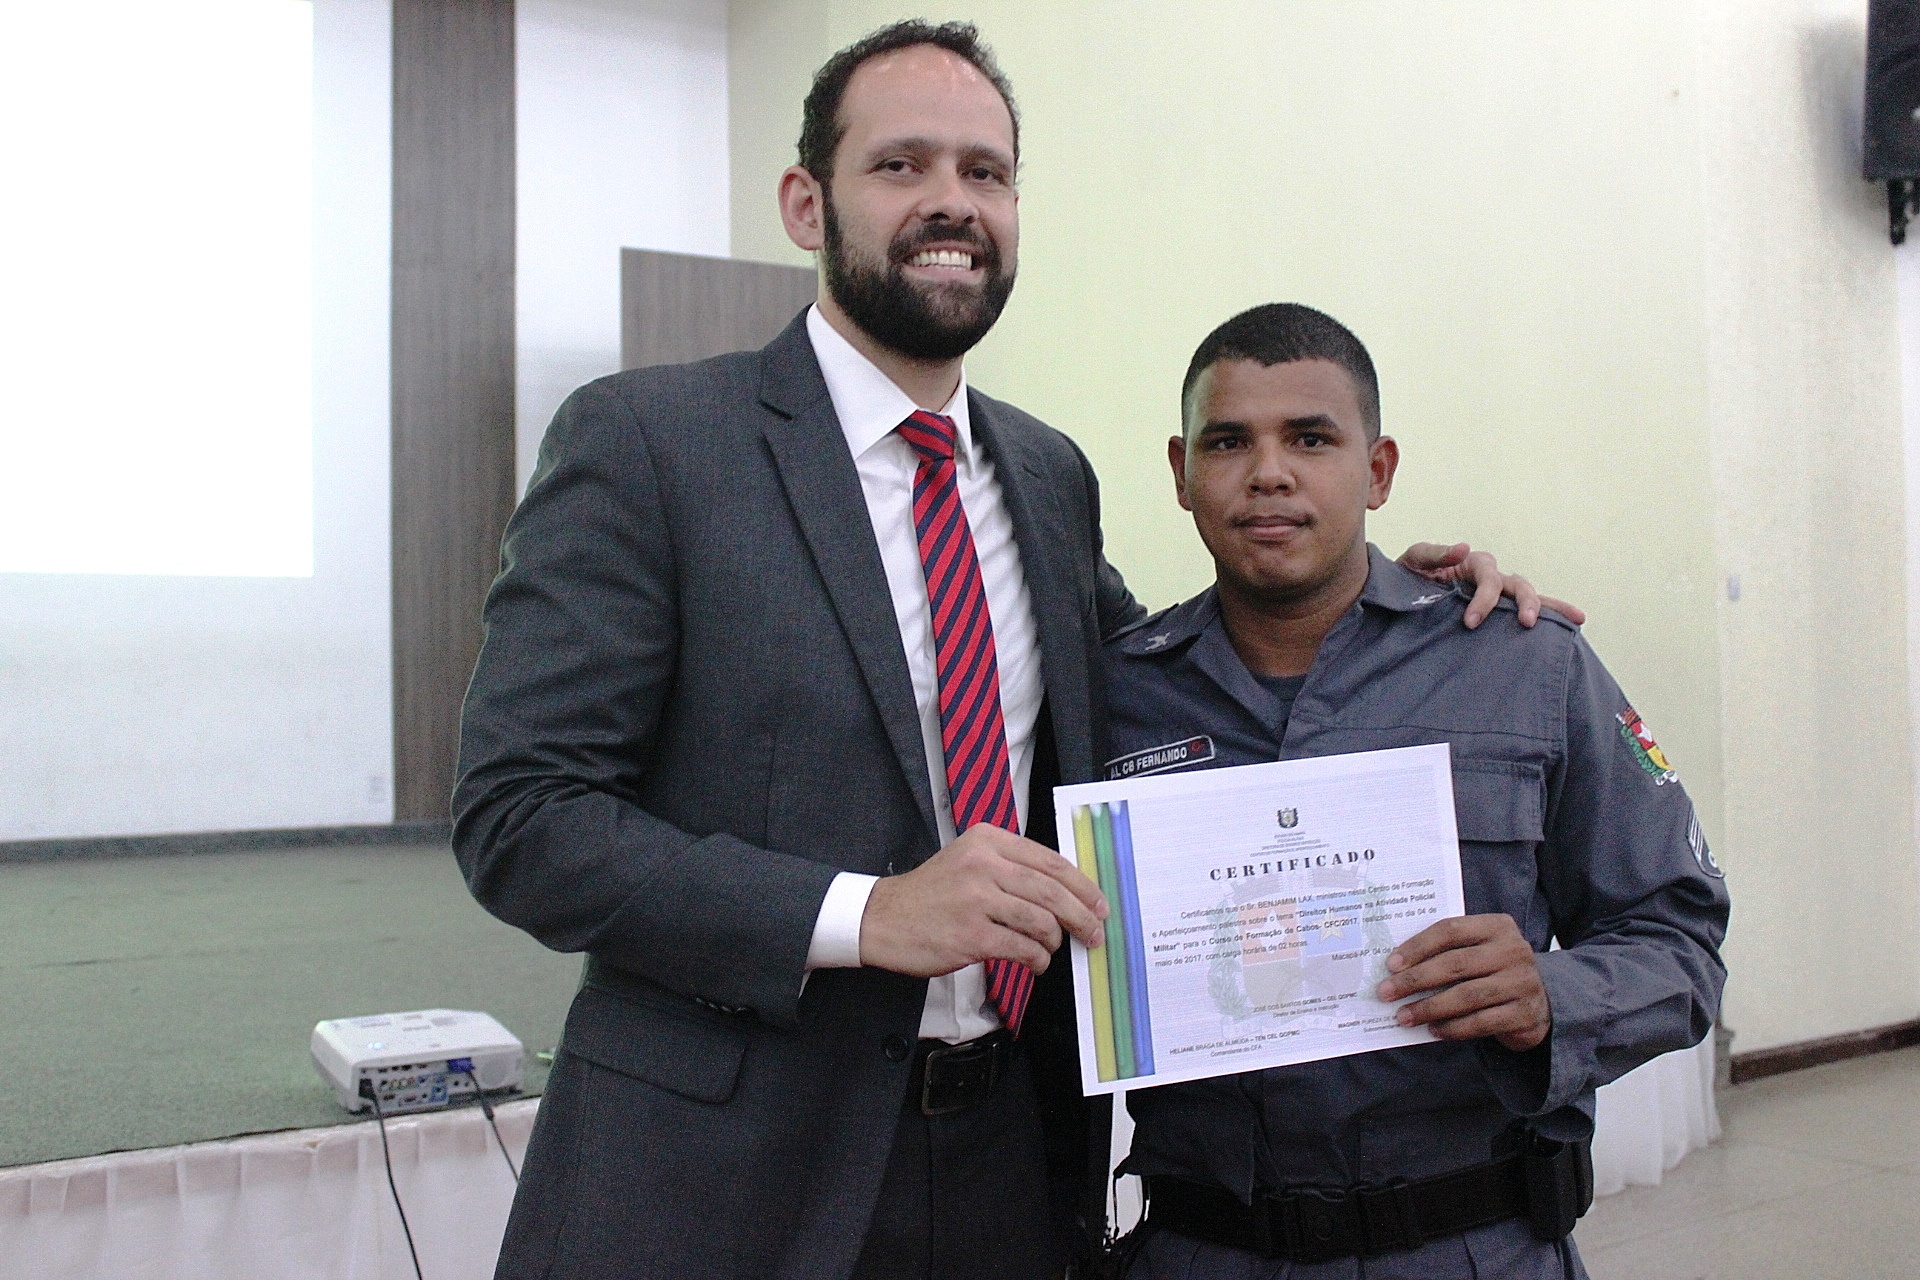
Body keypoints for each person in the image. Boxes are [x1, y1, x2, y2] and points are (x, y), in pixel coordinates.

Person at [454, 23, 1560, 1280]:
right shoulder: (652, 443)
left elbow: (1177, 671)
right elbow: (519, 814)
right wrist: (868, 912)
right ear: (806, 202)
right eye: (902, 165)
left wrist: (1395, 593)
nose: (952, 202)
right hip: (725, 1174)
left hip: (1009, 1159)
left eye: (985, 172)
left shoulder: (1044, 474)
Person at [1097, 303, 1730, 1280]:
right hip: (1201, 1251)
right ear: (1181, 472)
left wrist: (1551, 996)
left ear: (1379, 469)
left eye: (1311, 438)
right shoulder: (1114, 694)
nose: (1269, 472)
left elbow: (1681, 937)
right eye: (1228, 442)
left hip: (1473, 1247)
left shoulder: (1524, 665)